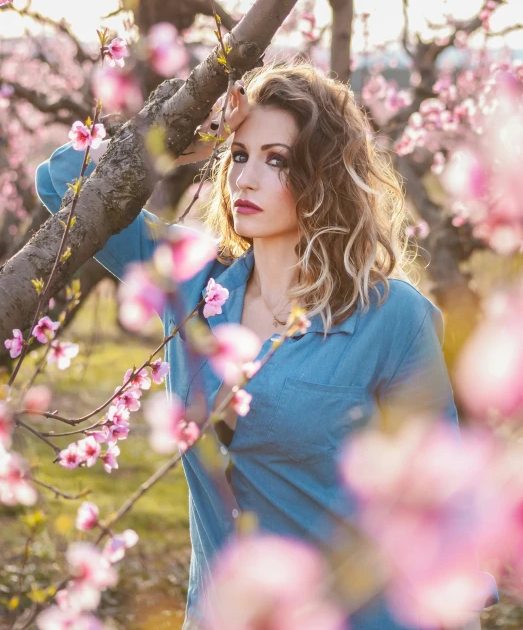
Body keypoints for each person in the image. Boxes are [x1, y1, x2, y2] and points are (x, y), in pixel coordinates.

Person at [35, 59, 497, 630]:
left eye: (276, 160)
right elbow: (63, 179)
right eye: (240, 156)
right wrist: (177, 138)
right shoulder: (190, 280)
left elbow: (440, 505)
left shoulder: (391, 317)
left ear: (322, 175)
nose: (245, 179)